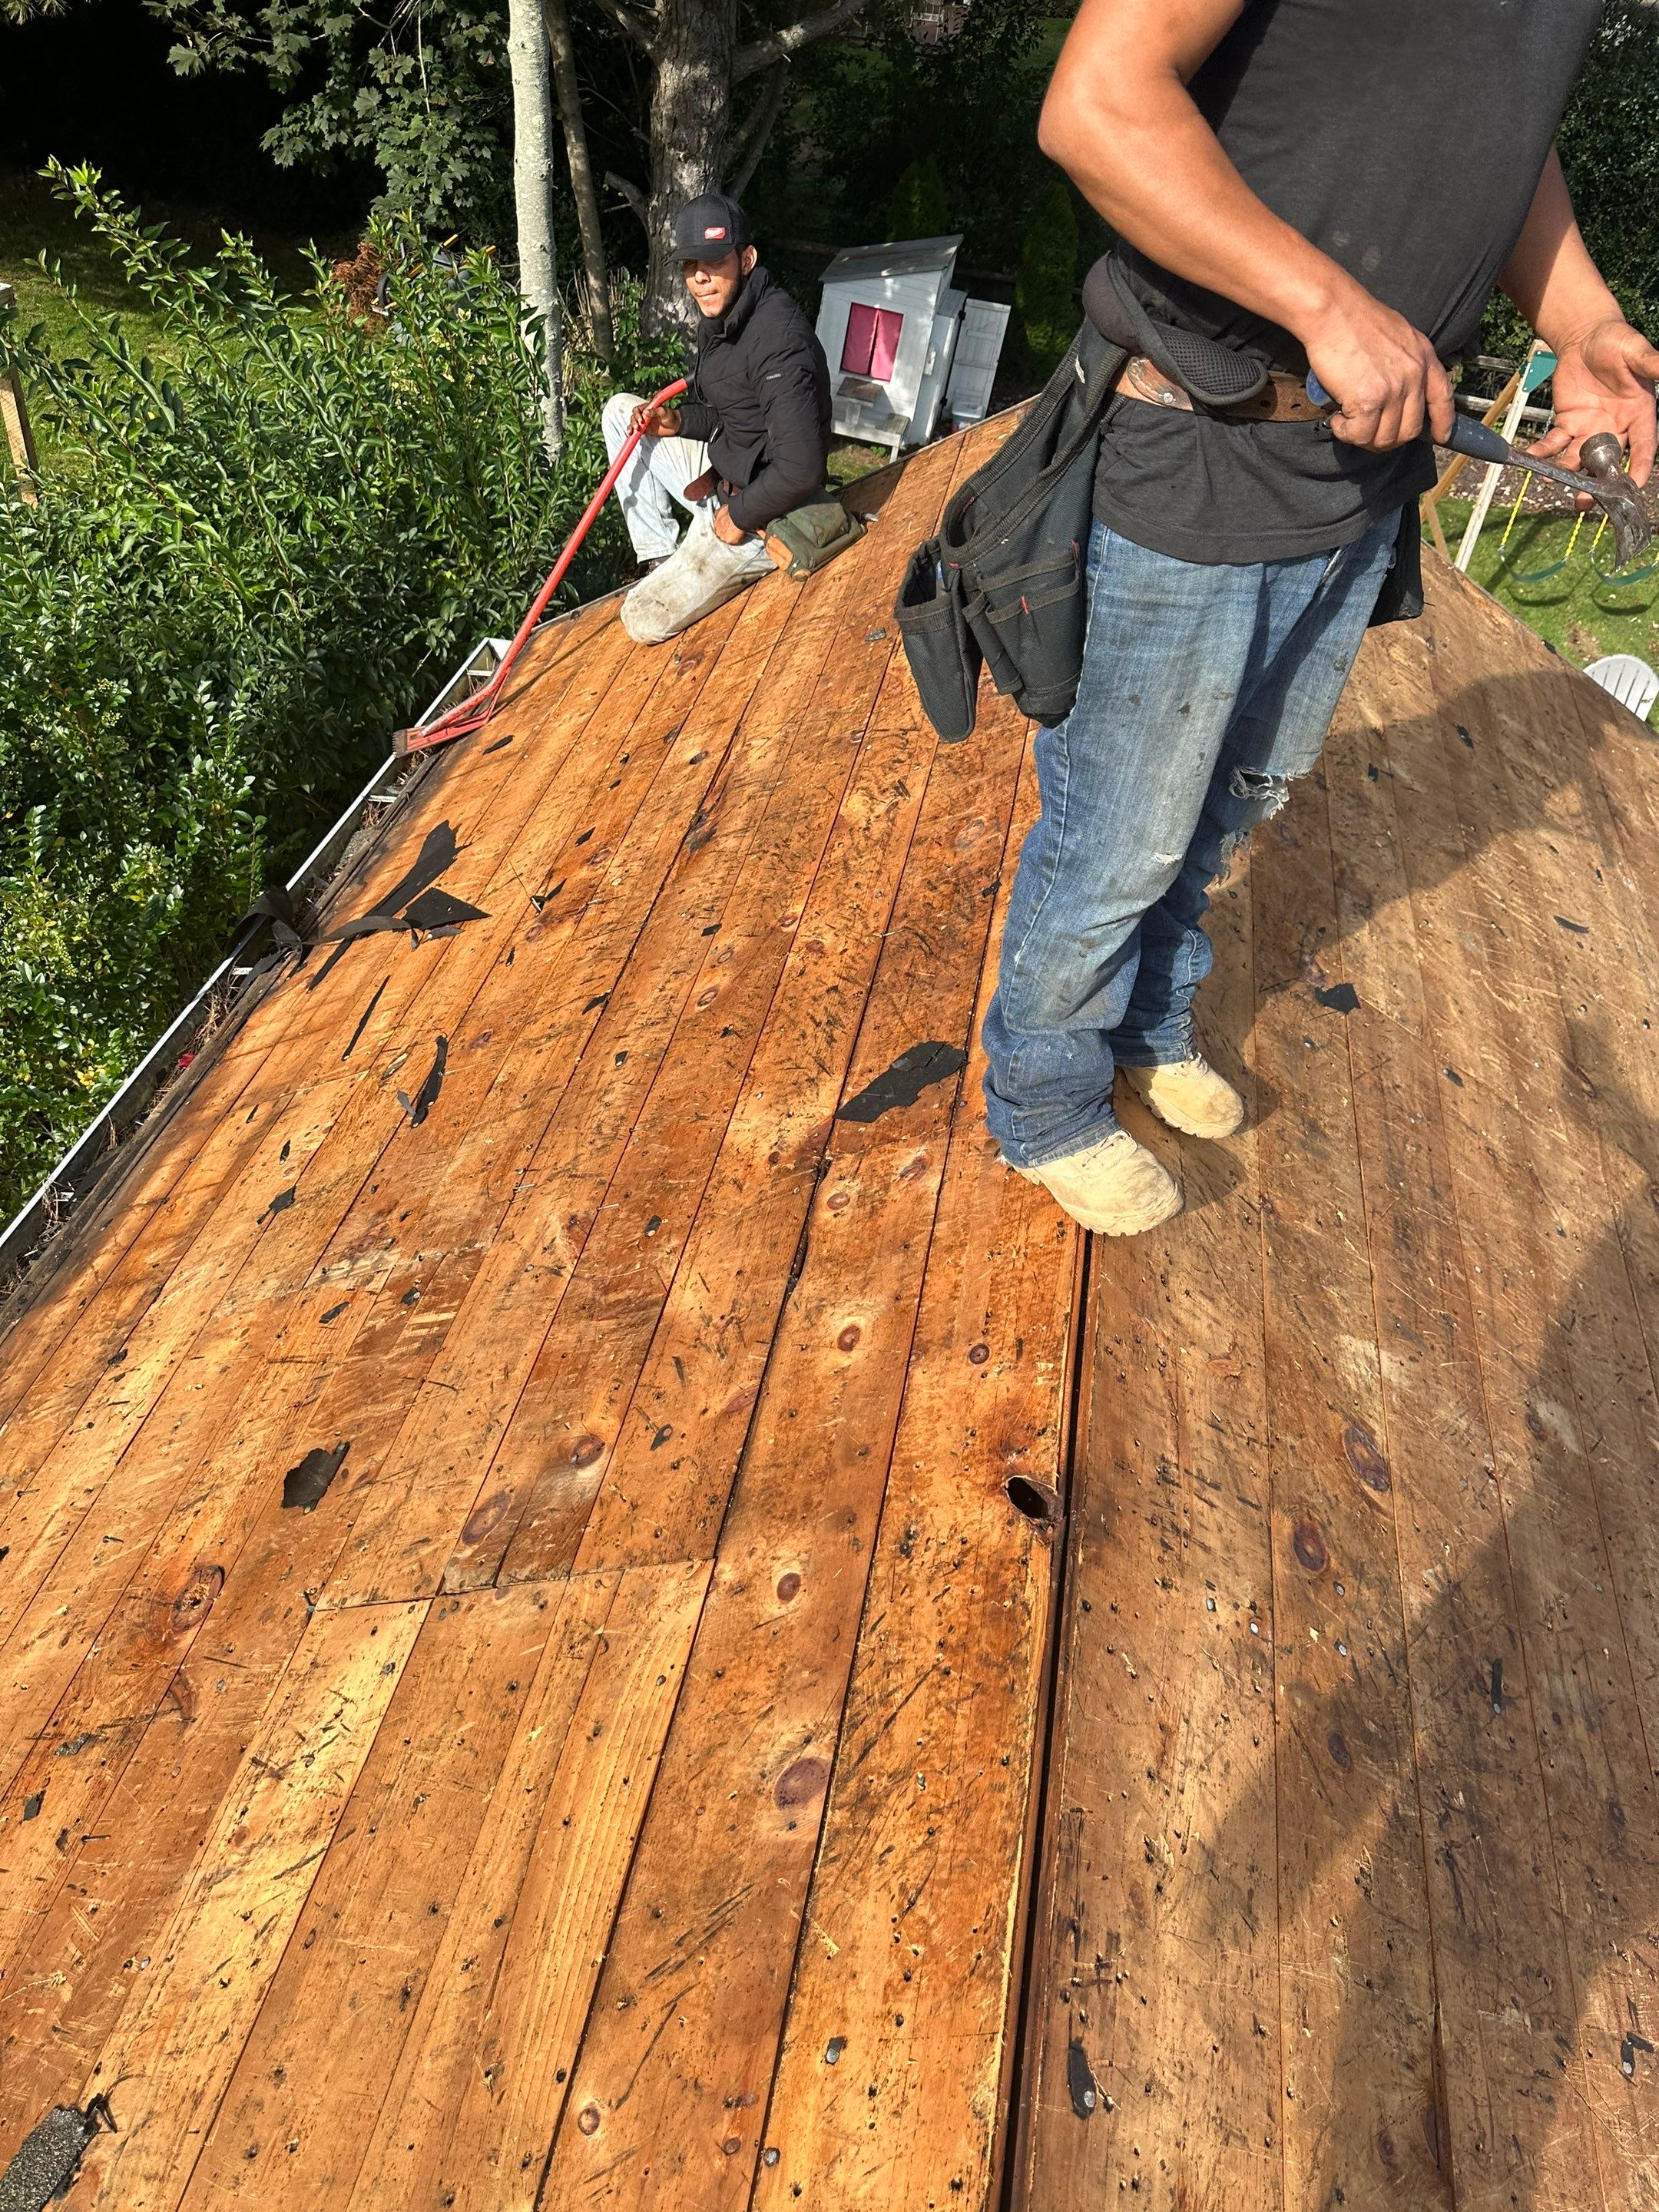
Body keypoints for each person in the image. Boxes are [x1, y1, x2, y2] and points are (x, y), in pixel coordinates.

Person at [982, 0, 1659, 1237]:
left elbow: (1502, 132)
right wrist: (1329, 304)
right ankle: (1044, 1100)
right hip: (1196, 437)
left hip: (1361, 473)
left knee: (1241, 790)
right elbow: (1097, 103)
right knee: (1119, 833)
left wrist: (1585, 322)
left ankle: (1146, 1018)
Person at [602, 193, 833, 644]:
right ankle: (660, 558)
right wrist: (677, 424)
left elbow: (801, 467)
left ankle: (683, 567)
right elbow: (733, 414)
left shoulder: (778, 341)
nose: (700, 277)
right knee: (618, 411)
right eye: (690, 265)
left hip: (763, 515)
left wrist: (738, 516)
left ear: (747, 259)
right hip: (725, 477)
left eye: (714, 262)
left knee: (641, 618)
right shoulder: (724, 319)